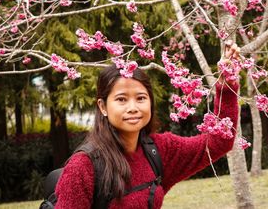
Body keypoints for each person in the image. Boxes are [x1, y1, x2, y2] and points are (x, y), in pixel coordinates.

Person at [55, 43, 241, 208]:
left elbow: (219, 142)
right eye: (121, 99)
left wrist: (227, 87)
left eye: (141, 98)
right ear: (103, 106)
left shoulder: (160, 150)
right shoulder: (83, 167)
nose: (133, 108)